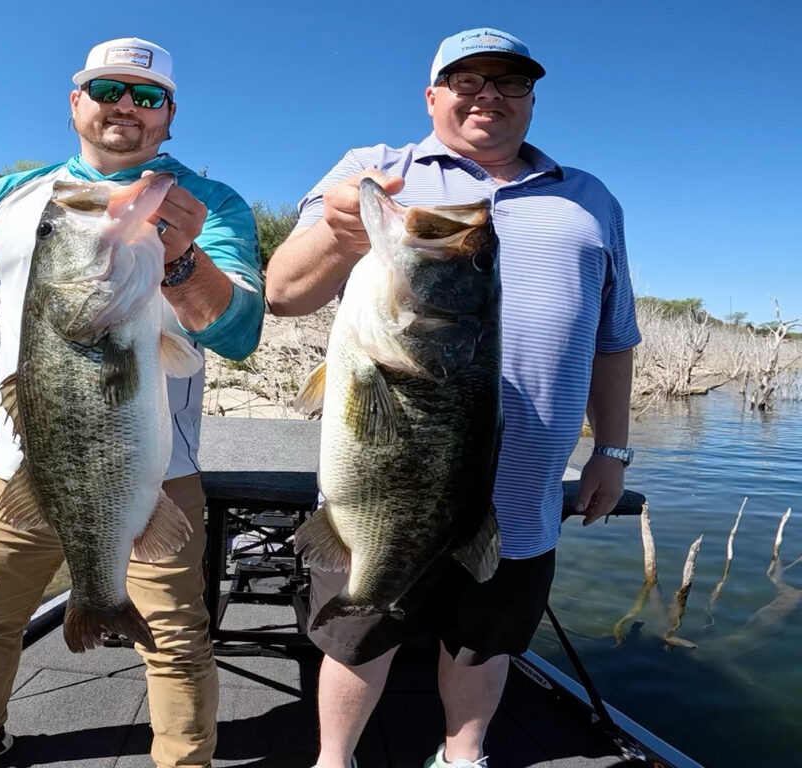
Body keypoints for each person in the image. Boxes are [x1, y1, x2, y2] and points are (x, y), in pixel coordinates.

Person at [265, 27, 639, 768]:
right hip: (382, 482)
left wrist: (614, 450)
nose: (488, 95)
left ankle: (461, 757)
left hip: (525, 491)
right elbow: (283, 292)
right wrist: (342, 234)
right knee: (358, 634)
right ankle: (333, 761)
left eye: (509, 82)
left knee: (484, 641)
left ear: (531, 99)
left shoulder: (589, 198)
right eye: (466, 81)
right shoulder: (375, 171)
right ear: (432, 95)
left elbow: (613, 337)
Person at [0, 37, 263, 768]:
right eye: (107, 90)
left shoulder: (207, 204)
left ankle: (183, 760)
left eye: (148, 95)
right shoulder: (6, 199)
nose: (126, 106)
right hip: (18, 468)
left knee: (176, 635)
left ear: (169, 117)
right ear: (76, 105)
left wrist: (184, 261)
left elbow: (241, 333)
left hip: (158, 473)